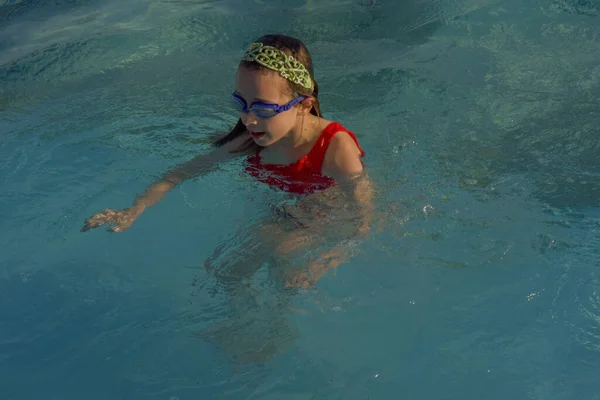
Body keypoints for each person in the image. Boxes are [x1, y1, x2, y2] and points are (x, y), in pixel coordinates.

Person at [82, 33, 374, 286]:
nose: (247, 119)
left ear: (303, 106)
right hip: (284, 209)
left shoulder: (336, 148)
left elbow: (366, 220)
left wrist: (326, 261)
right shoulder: (253, 137)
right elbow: (181, 173)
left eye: (262, 108)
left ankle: (273, 329)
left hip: (325, 212)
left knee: (284, 256)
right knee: (224, 272)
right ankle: (244, 327)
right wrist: (135, 208)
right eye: (240, 104)